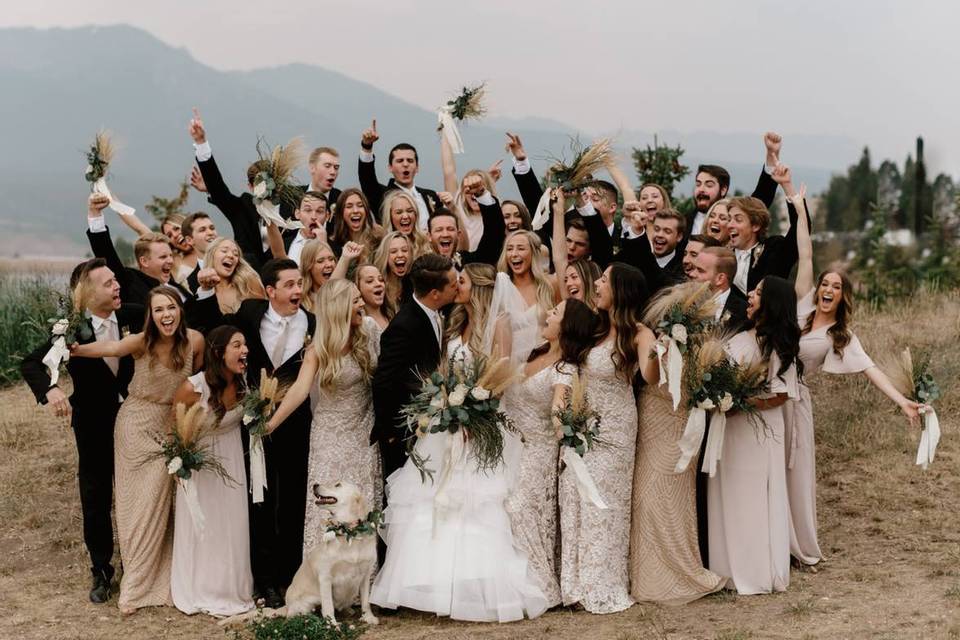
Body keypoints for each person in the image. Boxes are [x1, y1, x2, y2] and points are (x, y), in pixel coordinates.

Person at [370, 262, 548, 623]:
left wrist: (474, 410)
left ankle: (473, 582)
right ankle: (422, 582)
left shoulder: (495, 324)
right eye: (454, 282)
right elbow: (436, 372)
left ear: (478, 287)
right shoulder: (452, 321)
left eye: (462, 281)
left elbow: (501, 375)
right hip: (444, 421)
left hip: (475, 421)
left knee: (472, 501)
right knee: (431, 498)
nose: (457, 286)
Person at [785, 185, 920, 567]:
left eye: (835, 287)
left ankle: (799, 547)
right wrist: (797, 207)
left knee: (795, 474)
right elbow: (805, 250)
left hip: (796, 401)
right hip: (765, 396)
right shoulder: (801, 303)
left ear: (843, 296)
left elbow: (871, 369)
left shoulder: (840, 336)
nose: (828, 289)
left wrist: (902, 401)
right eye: (825, 284)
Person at [69, 286, 204, 613]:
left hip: (171, 423)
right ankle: (137, 581)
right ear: (151, 315)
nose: (166, 315)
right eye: (159, 310)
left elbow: (197, 382)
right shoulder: (142, 341)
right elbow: (110, 347)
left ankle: (168, 576)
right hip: (135, 424)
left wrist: (186, 425)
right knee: (135, 505)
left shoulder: (195, 341)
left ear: (180, 310)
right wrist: (71, 347)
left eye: (170, 307)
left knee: (163, 501)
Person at [20, 259, 143, 604]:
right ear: (87, 292)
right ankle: (102, 570)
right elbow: (31, 364)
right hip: (92, 424)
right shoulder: (70, 330)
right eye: (107, 283)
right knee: (96, 497)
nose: (117, 286)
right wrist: (52, 389)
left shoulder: (135, 314)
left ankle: (140, 565)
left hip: (136, 418)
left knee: (139, 492)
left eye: (116, 281)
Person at [265, 280, 382, 556]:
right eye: (355, 301)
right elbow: (298, 392)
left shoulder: (370, 330)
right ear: (339, 308)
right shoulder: (319, 349)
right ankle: (325, 578)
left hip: (364, 429)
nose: (362, 305)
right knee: (329, 504)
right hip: (330, 436)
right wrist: (270, 424)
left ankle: (361, 579)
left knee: (362, 501)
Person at [226, 259, 316, 606]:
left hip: (295, 423)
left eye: (299, 284)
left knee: (292, 500)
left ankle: (288, 576)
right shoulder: (249, 314)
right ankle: (263, 580)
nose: (297, 291)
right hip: (253, 422)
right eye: (290, 285)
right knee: (259, 498)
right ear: (270, 291)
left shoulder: (313, 322)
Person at [558, 263, 647, 613]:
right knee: (577, 499)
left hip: (616, 429)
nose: (596, 283)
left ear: (620, 290)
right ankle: (576, 585)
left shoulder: (639, 334)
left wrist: (662, 353)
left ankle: (602, 582)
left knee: (603, 504)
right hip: (585, 424)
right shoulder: (593, 328)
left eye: (604, 280)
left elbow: (651, 375)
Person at [628, 283, 724, 604]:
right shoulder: (652, 336)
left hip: (682, 427)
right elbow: (650, 376)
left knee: (674, 501)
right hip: (653, 421)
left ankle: (680, 571)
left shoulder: (705, 346)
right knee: (646, 499)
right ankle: (649, 575)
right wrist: (661, 350)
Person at [707, 275, 801, 595]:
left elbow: (780, 395)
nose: (749, 294)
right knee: (728, 495)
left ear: (772, 302)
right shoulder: (738, 336)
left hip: (759, 432)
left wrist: (738, 402)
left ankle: (756, 571)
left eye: (759, 292)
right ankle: (727, 570)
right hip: (730, 428)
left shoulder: (778, 345)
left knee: (753, 498)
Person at [503, 298, 599, 608]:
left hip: (538, 451)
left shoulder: (565, 368)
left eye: (555, 313)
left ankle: (538, 586)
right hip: (508, 446)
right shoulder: (534, 354)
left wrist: (565, 433)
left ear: (566, 326)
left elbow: (559, 408)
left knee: (520, 510)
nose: (548, 315)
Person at [170, 326, 254, 616]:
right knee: (208, 527)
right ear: (218, 352)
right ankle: (203, 587)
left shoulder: (245, 383)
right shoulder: (193, 388)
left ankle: (233, 587)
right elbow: (178, 431)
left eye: (245, 345)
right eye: (237, 345)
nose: (244, 350)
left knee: (233, 524)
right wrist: (185, 466)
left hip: (232, 461)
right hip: (203, 466)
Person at [371, 253, 459, 482]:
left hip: (430, 427)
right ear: (435, 293)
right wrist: (390, 433)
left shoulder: (437, 312)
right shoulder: (404, 326)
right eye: (453, 283)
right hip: (405, 433)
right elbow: (383, 381)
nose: (457, 286)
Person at [189, 109, 274, 271]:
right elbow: (219, 188)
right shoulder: (243, 206)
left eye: (270, 182)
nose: (266, 188)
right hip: (249, 278)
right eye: (259, 183)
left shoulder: (292, 207)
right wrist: (201, 142)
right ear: (250, 186)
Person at [85, 194, 192, 305]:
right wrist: (95, 214)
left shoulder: (175, 285)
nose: (170, 260)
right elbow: (106, 253)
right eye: (163, 257)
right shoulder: (131, 282)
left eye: (170, 255)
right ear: (144, 261)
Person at [726, 164, 810, 294]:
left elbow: (800, 231)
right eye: (729, 219)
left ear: (756, 225)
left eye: (738, 219)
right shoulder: (722, 255)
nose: (730, 225)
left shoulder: (773, 251)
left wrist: (787, 186)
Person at [687, 132, 782, 236]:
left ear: (723, 190)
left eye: (709, 185)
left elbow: (761, 197)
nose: (701, 189)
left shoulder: (736, 220)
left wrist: (771, 155)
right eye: (698, 184)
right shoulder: (683, 222)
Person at [358, 119, 439, 228]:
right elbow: (367, 179)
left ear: (417, 167)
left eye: (410, 161)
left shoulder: (430, 195)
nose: (405, 164)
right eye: (400, 161)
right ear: (390, 167)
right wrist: (367, 146)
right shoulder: (383, 195)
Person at [186, 238, 265, 334]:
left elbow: (264, 318)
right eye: (224, 251)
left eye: (236, 254)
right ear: (212, 255)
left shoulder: (249, 282)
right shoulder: (202, 295)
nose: (231, 256)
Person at [618, 209, 687, 291]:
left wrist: (638, 236)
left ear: (679, 237)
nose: (660, 235)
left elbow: (659, 281)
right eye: (657, 229)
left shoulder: (683, 269)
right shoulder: (635, 257)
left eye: (667, 231)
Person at [497, 230, 559, 320]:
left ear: (533, 253)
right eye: (509, 249)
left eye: (521, 248)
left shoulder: (551, 284)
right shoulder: (501, 290)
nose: (514, 254)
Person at [265, 191, 329, 266]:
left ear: (327, 216)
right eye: (308, 210)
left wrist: (323, 245)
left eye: (319, 211)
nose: (314, 216)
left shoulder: (336, 250)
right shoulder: (283, 244)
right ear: (297, 214)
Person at [691, 247, 749, 330]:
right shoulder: (681, 302)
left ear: (720, 279)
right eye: (694, 268)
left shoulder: (744, 313)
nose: (692, 274)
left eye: (700, 270)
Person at [329, 188, 384, 260]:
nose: (355, 210)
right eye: (349, 206)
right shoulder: (333, 244)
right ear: (341, 213)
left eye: (360, 205)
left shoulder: (379, 237)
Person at [379, 190, 431, 257]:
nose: (406, 216)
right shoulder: (382, 248)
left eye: (410, 211)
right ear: (390, 217)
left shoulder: (426, 243)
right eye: (399, 212)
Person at [373, 232, 413, 315]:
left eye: (405, 250)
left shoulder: (415, 284)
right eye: (393, 251)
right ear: (385, 256)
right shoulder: (377, 286)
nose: (400, 255)